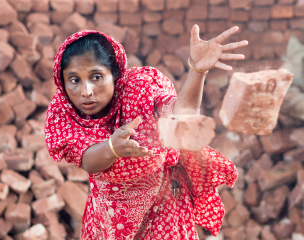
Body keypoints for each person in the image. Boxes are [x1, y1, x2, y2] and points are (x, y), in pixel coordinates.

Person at [45, 25, 248, 239]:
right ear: (63, 83)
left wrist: (197, 71)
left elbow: (182, 113)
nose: (86, 91)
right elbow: (87, 160)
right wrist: (112, 147)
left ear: (114, 74)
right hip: (112, 220)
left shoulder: (141, 89)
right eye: (74, 80)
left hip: (163, 208)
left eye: (96, 77)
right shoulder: (64, 112)